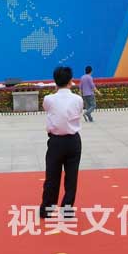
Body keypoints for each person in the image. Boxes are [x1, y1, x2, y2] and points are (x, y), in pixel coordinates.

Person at [40, 66, 84, 219]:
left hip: (56, 141)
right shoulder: (78, 99)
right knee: (71, 177)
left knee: (52, 177)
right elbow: (78, 111)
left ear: (55, 81)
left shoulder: (49, 99)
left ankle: (47, 209)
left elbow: (47, 109)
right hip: (73, 141)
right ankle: (67, 210)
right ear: (71, 81)